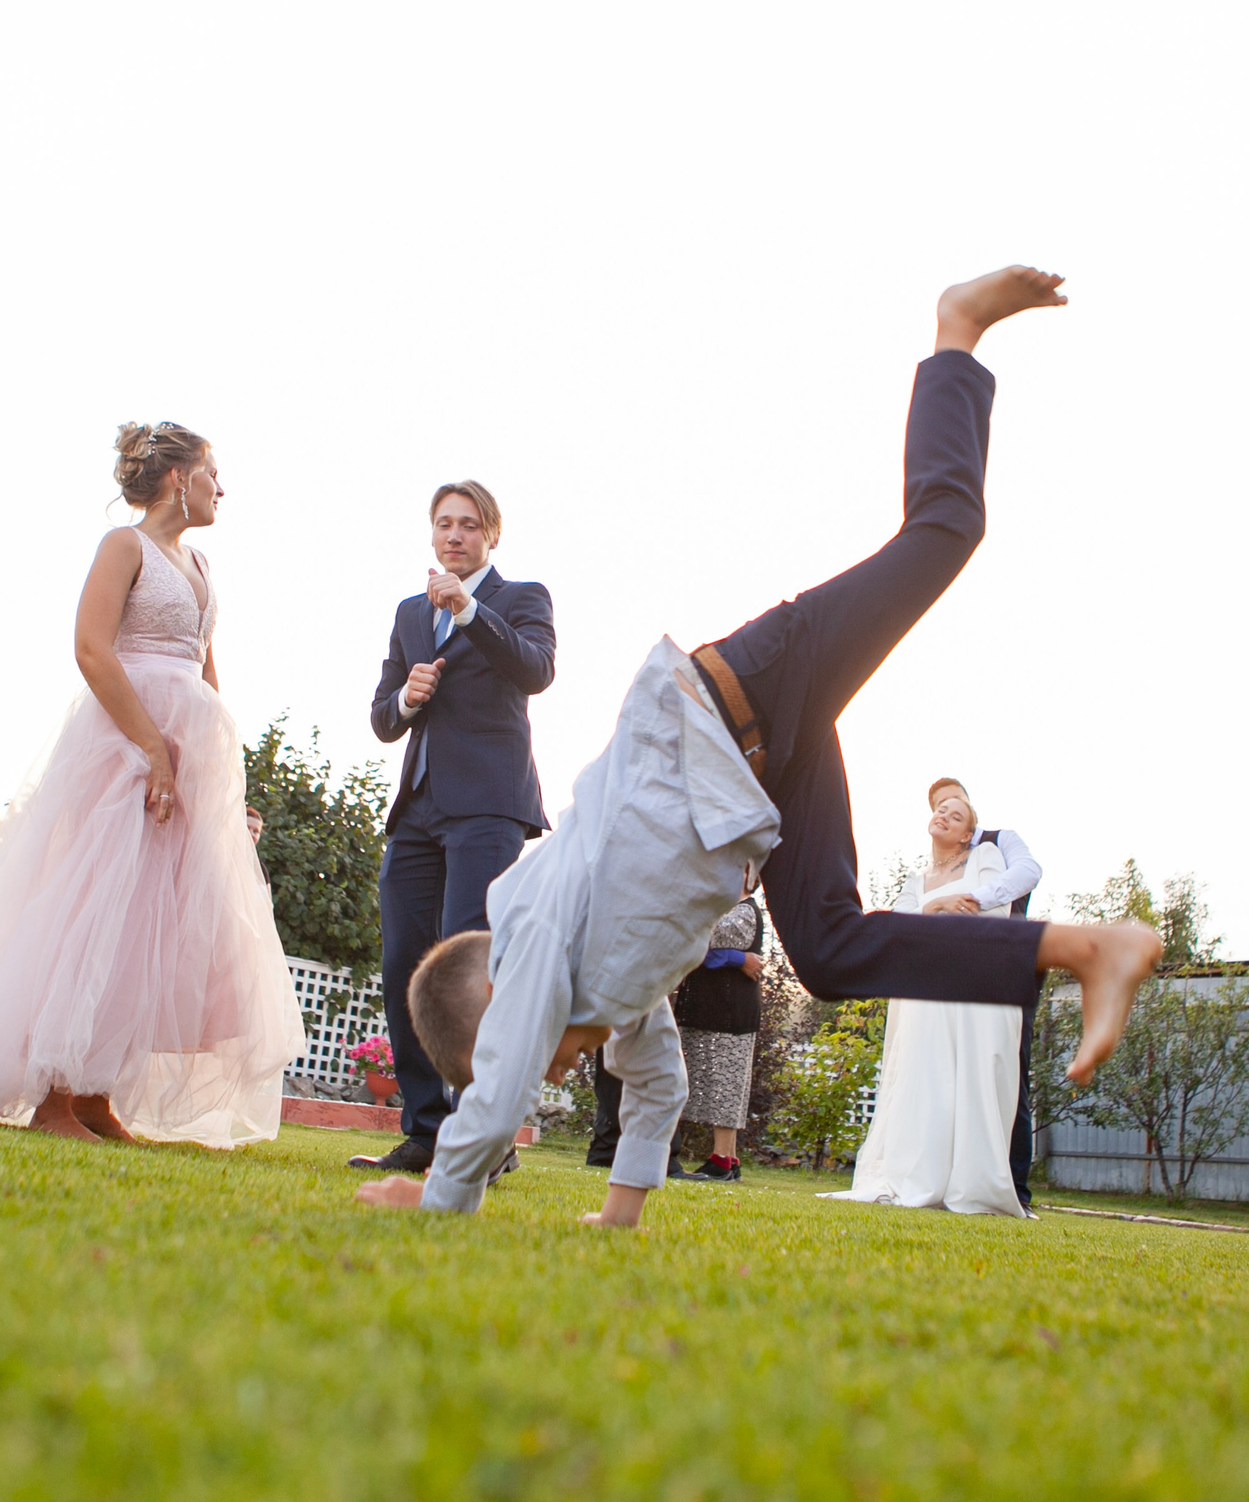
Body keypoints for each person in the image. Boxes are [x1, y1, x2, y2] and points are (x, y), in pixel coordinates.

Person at [357, 264, 1163, 1226]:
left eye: (523, 1053)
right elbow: (660, 1089)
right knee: (826, 950)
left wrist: (441, 1194)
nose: (555, 1063)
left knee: (946, 530)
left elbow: (494, 1095)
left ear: (500, 999)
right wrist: (620, 1212)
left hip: (738, 692)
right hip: (762, 767)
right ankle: (1083, 950)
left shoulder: (531, 927)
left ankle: (956, 331)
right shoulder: (618, 988)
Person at [0, 421, 303, 1144]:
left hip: (189, 750)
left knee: (150, 925)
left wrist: (218, 777)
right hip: (123, 746)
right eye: (213, 473)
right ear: (181, 477)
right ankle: (50, 1098)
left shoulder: (201, 562)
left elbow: (206, 668)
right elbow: (90, 646)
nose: (221, 488)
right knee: (94, 910)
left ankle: (94, 1095)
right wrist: (153, 749)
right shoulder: (124, 546)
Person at [352, 480, 556, 1175]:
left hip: (489, 807)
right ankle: (426, 1129)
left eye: (468, 524)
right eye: (444, 523)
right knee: (404, 963)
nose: (454, 535)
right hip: (418, 807)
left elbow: (535, 670)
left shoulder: (522, 598)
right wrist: (406, 700)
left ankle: (487, 1136)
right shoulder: (410, 612)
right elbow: (382, 717)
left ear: (490, 534)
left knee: (471, 972)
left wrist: (469, 610)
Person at [824, 781, 1029, 1216]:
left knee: (968, 1079)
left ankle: (969, 1181)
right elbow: (900, 925)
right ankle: (917, 1170)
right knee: (926, 1078)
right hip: (925, 991)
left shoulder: (987, 857)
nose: (944, 816)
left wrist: (952, 910)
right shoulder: (917, 879)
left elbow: (997, 909)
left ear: (966, 834)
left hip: (972, 988)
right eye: (941, 809)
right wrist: (936, 909)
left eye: (956, 816)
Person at [915, 784, 1045, 1204]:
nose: (945, 810)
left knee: (1007, 1072)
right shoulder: (935, 865)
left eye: (953, 803)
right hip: (948, 986)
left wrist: (972, 899)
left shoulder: (996, 842)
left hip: (1007, 965)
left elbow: (1027, 872)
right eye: (938, 806)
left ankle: (1016, 1189)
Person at [665, 895, 767, 1183]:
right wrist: (738, 959)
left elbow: (703, 938)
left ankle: (723, 1160)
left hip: (727, 1012)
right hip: (715, 1009)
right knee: (723, 1084)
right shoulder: (730, 908)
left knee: (725, 1084)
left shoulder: (743, 911)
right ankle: (728, 1159)